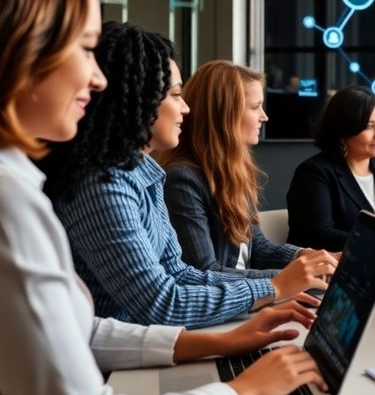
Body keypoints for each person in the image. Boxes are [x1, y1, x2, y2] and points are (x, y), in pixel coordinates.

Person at [0, 0, 324, 394]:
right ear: (22, 51)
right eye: (83, 47)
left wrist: (225, 337)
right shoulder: (65, 191)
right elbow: (159, 300)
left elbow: (86, 329)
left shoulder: (137, 175)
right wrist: (242, 388)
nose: (96, 78)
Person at [41, 21, 333, 328]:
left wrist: (292, 279)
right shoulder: (103, 184)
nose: (186, 109)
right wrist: (274, 288)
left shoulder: (146, 173)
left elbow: (179, 273)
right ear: (138, 98)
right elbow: (160, 303)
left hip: (152, 344)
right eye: (176, 95)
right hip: (120, 363)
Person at [160, 60, 338, 278]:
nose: (264, 116)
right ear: (225, 115)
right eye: (255, 107)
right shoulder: (182, 180)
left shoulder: (233, 171)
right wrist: (289, 279)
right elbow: (203, 272)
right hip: (231, 308)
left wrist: (307, 256)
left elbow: (258, 248)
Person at [287, 86, 375, 251]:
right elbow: (320, 235)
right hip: (334, 269)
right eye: (369, 126)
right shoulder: (314, 173)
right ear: (343, 131)